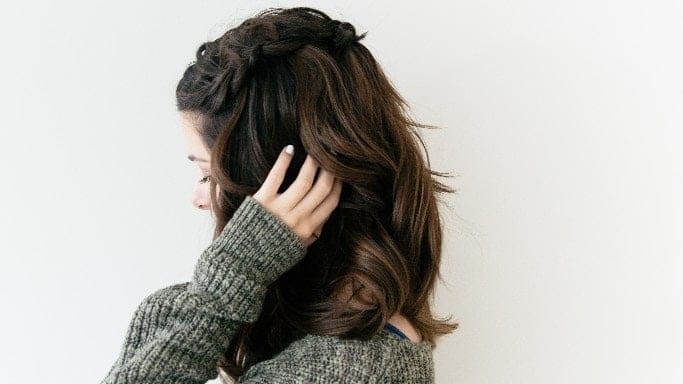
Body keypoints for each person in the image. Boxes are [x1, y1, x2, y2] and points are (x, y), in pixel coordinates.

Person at [100, 6, 457, 384]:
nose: (198, 198)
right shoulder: (323, 338)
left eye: (208, 174)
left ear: (286, 184)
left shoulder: (349, 369)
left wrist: (233, 273)